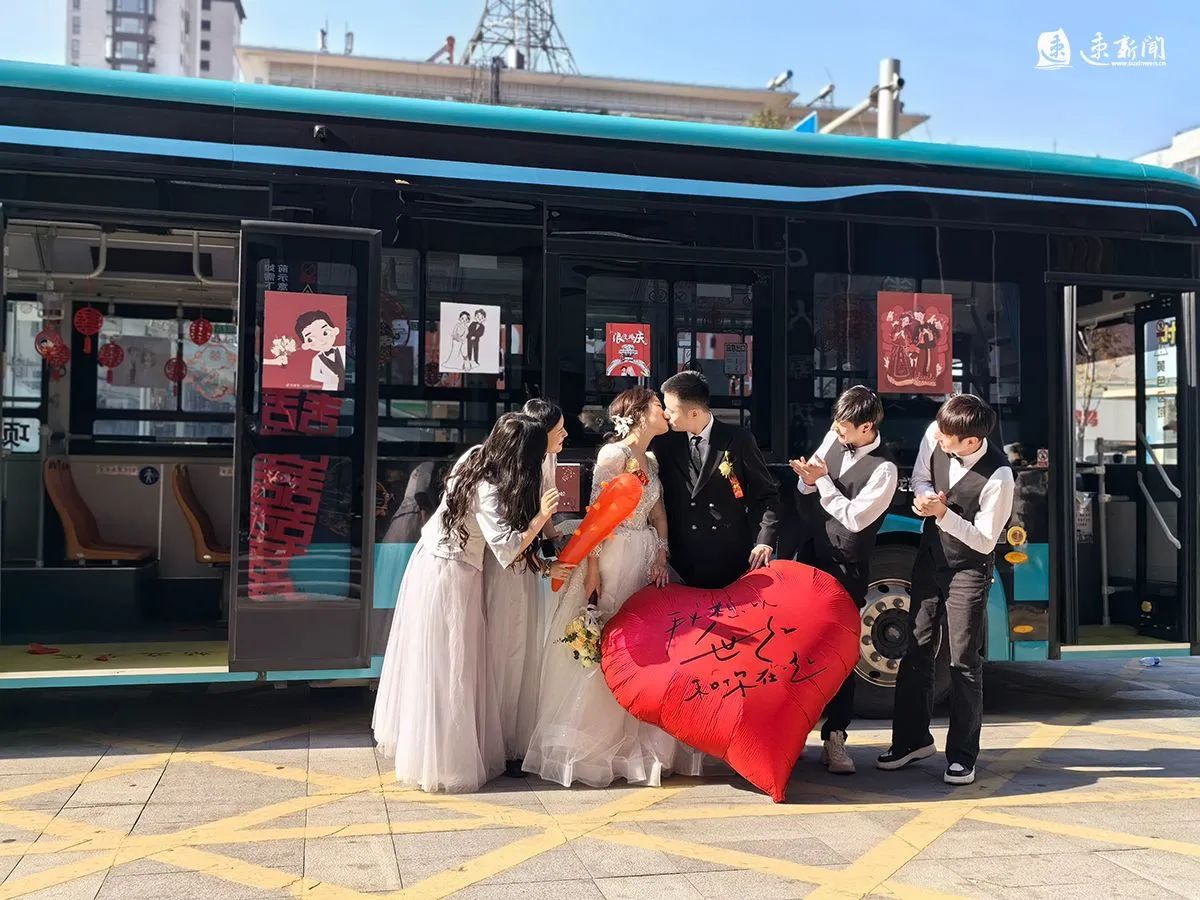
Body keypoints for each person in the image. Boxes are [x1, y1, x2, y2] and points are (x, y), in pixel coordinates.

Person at [372, 414, 575, 793]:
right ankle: (448, 762)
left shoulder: (477, 457)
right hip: (452, 574)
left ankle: (442, 752)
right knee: (454, 664)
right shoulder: (490, 489)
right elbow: (508, 549)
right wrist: (542, 516)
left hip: (437, 564)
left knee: (445, 664)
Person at [523, 388, 704, 787]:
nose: (664, 411)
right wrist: (592, 571)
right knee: (607, 641)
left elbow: (659, 513)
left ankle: (635, 741)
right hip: (611, 555)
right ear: (637, 413)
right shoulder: (613, 455)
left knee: (644, 646)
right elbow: (596, 516)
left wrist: (661, 552)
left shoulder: (651, 460)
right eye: (657, 405)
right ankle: (597, 745)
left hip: (643, 557)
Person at [877, 394, 1014, 786]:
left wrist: (943, 514)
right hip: (929, 555)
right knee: (915, 646)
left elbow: (985, 541)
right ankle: (911, 741)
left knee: (963, 660)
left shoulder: (999, 476)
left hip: (969, 568)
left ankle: (963, 756)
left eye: (948, 438)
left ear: (971, 441)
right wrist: (923, 498)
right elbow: (921, 476)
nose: (939, 439)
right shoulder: (936, 433)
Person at [790, 386, 898, 775]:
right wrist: (807, 479)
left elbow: (854, 519)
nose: (837, 432)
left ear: (867, 427)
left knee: (840, 653)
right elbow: (807, 485)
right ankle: (793, 733)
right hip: (813, 555)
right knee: (798, 647)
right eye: (836, 425)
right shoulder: (835, 437)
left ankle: (835, 736)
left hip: (847, 566)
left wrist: (820, 482)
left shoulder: (885, 470)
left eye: (845, 428)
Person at [483, 399, 569, 774]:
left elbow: (539, 522)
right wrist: (545, 533)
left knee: (522, 650)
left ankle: (514, 738)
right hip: (506, 567)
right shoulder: (504, 474)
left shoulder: (541, 462)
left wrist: (553, 548)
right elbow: (518, 532)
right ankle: (497, 739)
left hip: (523, 565)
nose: (565, 436)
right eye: (559, 430)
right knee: (504, 649)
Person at [655, 371, 780, 589]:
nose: (665, 415)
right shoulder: (664, 441)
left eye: (671, 410)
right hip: (680, 560)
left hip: (728, 557)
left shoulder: (738, 439)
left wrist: (764, 542)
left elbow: (766, 495)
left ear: (694, 413)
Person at [295, 309, 346, 391]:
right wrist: (329, 379)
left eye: (325, 333)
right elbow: (314, 375)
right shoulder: (316, 359)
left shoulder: (343, 350)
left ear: (335, 330)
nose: (322, 340)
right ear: (305, 345)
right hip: (330, 389)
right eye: (311, 339)